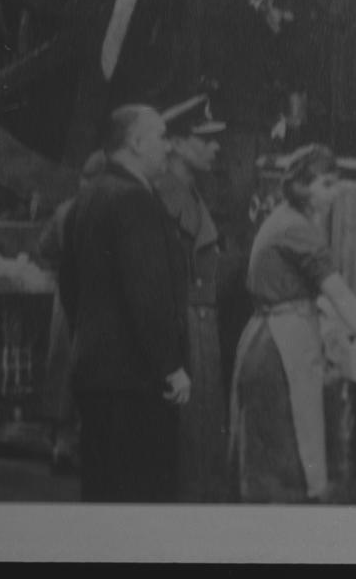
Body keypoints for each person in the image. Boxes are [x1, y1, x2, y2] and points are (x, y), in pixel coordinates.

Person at [229, 143, 356, 503]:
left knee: (273, 446)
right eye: (327, 185)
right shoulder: (298, 229)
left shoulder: (285, 219)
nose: (336, 193)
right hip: (280, 348)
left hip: (268, 337)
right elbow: (337, 290)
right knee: (286, 447)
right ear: (301, 187)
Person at [58, 104, 191, 502]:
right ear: (135, 142)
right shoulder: (134, 200)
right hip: (135, 384)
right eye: (162, 136)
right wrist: (170, 367)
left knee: (101, 493)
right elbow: (147, 294)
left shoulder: (88, 197)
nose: (169, 147)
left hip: (95, 374)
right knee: (140, 499)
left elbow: (70, 286)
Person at [156, 93, 229, 502]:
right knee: (187, 437)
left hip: (201, 320)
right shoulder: (164, 195)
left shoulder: (191, 192)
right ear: (177, 145)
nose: (216, 146)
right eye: (205, 139)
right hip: (184, 322)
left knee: (201, 433)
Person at [37, 149, 107, 473]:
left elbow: (45, 249)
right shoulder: (109, 208)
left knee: (62, 370)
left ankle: (60, 445)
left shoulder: (65, 209)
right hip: (99, 303)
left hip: (64, 301)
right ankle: (85, 447)